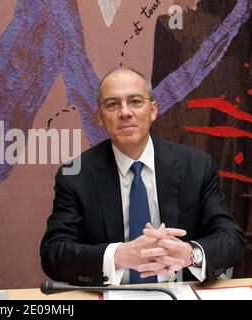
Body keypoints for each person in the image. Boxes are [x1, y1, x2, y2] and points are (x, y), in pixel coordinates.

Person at [40, 68, 245, 286]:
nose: (125, 112)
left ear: (153, 110)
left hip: (179, 291)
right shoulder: (76, 175)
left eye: (135, 102)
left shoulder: (196, 166)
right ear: (99, 118)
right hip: (112, 294)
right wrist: (118, 255)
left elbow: (231, 237)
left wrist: (190, 253)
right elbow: (54, 253)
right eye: (112, 104)